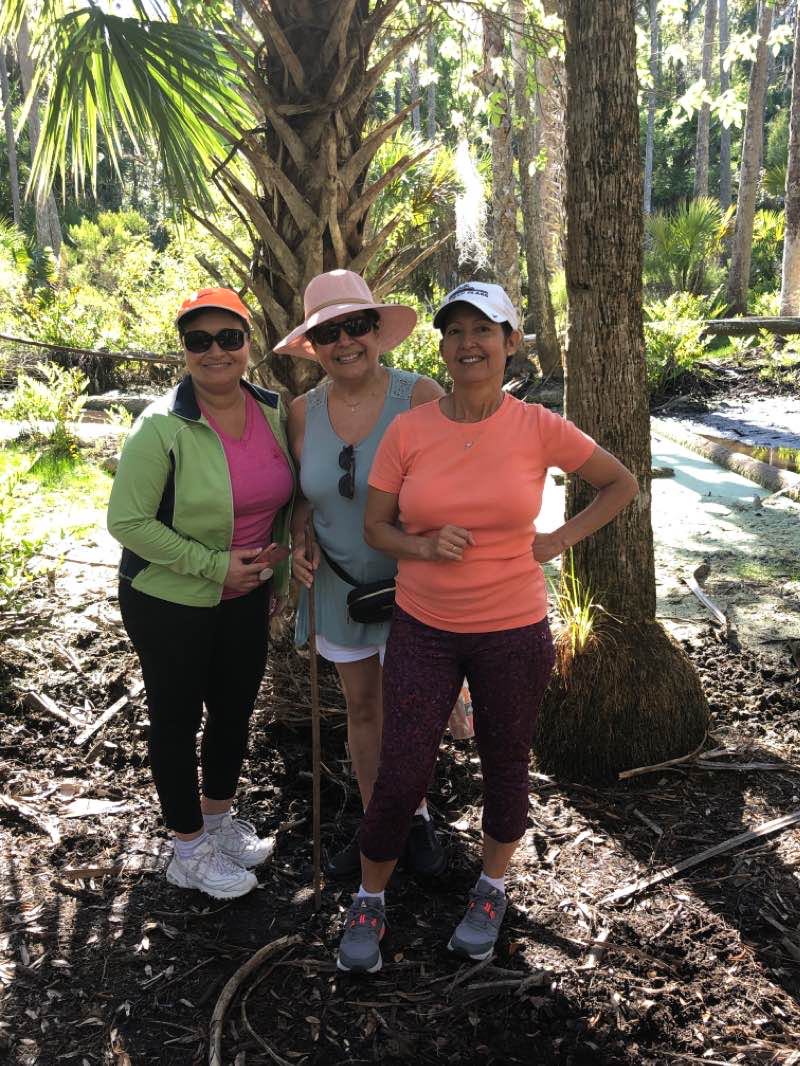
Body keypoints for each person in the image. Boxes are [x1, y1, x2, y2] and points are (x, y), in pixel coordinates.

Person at [335, 281, 640, 973]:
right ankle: (368, 898)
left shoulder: (538, 427)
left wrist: (557, 542)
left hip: (514, 629)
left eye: (485, 329)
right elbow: (376, 526)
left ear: (511, 343)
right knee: (403, 769)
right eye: (456, 331)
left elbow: (619, 483)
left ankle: (492, 888)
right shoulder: (409, 431)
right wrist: (421, 544)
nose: (469, 343)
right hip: (423, 626)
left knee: (506, 761)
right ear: (441, 347)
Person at [108, 287, 294, 900]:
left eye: (229, 338)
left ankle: (217, 822)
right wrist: (214, 566)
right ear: (185, 351)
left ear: (249, 343)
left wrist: (277, 560)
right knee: (177, 714)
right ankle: (187, 848)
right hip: (169, 599)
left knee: (234, 708)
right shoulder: (161, 424)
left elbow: (287, 499)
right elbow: (128, 523)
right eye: (199, 341)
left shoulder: (271, 410)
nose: (216, 352)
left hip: (245, 593)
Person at [274, 269, 447, 880]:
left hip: (415, 588)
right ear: (313, 345)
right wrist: (298, 538)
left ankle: (417, 816)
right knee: (363, 709)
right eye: (329, 331)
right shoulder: (300, 412)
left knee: (411, 709)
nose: (345, 340)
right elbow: (304, 496)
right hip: (339, 587)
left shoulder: (419, 396)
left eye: (357, 325)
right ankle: (382, 825)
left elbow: (450, 491)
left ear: (378, 331)